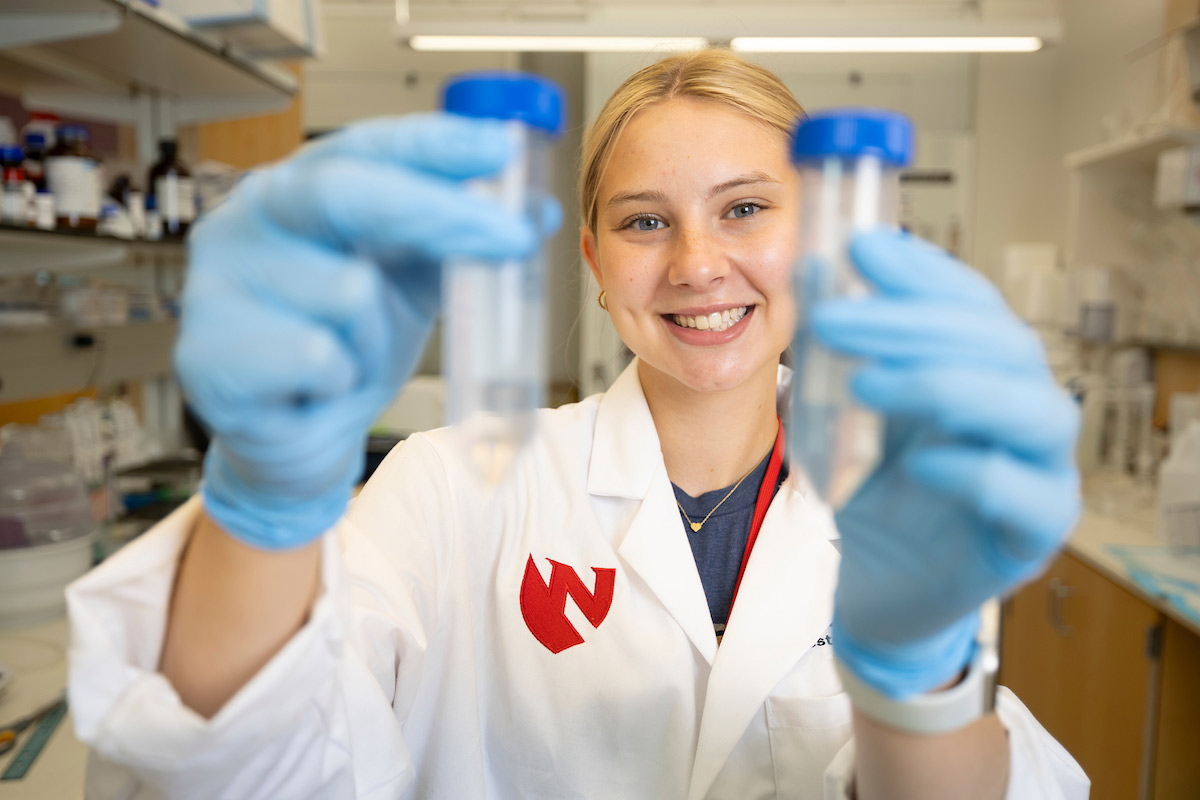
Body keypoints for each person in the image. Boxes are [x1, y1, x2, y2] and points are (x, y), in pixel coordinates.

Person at [67, 49, 1088, 799]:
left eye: (743, 209)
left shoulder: (899, 505)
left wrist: (919, 680)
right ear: (596, 265)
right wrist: (259, 497)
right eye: (647, 220)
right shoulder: (449, 486)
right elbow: (231, 766)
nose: (695, 263)